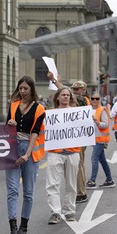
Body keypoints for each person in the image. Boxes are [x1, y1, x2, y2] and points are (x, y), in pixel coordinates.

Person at [5, 76, 45, 234]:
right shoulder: (13, 105)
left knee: (28, 192)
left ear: (31, 89)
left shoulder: (39, 108)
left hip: (29, 150)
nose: (22, 91)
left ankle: (24, 226)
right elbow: (5, 131)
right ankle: (13, 227)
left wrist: (27, 153)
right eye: (20, 88)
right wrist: (9, 124)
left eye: (25, 89)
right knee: (12, 190)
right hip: (12, 149)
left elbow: (35, 132)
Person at [48, 72, 90, 203]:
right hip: (70, 137)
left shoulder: (83, 100)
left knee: (79, 163)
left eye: (77, 89)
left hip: (78, 137)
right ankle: (81, 190)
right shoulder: (77, 99)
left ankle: (81, 191)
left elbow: (66, 94)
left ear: (83, 90)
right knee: (79, 163)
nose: (75, 91)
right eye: (74, 89)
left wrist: (55, 81)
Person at [46, 87, 80, 224]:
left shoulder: (77, 113)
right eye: (63, 95)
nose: (66, 97)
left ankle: (69, 211)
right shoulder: (50, 114)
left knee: (71, 185)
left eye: (68, 95)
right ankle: (55, 212)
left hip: (73, 152)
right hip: (55, 152)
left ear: (70, 98)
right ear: (57, 98)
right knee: (52, 184)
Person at [86, 92, 115, 189]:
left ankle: (92, 181)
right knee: (102, 160)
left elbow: (105, 124)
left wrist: (97, 122)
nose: (95, 100)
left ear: (100, 100)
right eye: (93, 98)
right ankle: (109, 180)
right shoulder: (89, 110)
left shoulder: (102, 110)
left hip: (101, 139)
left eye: (97, 99)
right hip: (94, 139)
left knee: (94, 158)